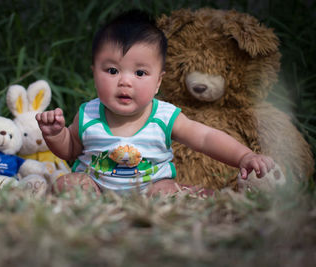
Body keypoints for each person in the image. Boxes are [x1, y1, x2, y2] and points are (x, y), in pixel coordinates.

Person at [35, 10, 275, 196]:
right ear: (94, 73)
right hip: (97, 189)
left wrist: (243, 156)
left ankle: (188, 199)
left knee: (167, 191)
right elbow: (70, 150)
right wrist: (56, 135)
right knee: (68, 183)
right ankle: (94, 207)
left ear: (158, 82)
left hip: (151, 191)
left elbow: (205, 138)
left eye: (140, 73)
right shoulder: (88, 114)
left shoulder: (164, 116)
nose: (125, 82)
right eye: (112, 70)